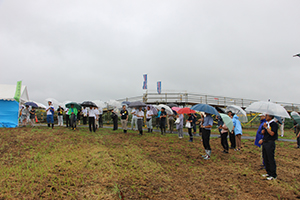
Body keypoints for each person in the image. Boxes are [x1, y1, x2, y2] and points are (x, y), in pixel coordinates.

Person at [259, 114, 278, 180]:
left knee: (270, 158)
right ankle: (268, 172)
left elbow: (272, 133)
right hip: (265, 142)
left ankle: (273, 175)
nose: (265, 117)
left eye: (266, 115)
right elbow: (266, 133)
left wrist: (266, 128)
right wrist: (263, 133)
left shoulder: (274, 124)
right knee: (265, 157)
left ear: (270, 117)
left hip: (270, 143)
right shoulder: (266, 124)